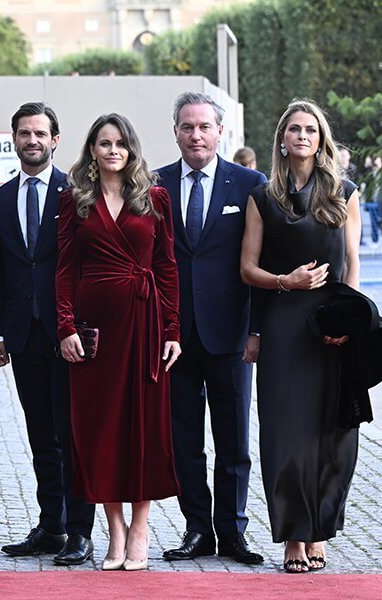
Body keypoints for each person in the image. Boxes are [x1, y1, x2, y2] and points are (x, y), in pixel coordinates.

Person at [239, 99, 361, 573]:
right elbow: (247, 268)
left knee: (333, 434)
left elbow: (351, 264)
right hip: (284, 323)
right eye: (294, 129)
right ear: (282, 140)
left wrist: (347, 322)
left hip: (331, 324)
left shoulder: (344, 192)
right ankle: (293, 535)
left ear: (321, 138)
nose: (303, 136)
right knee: (286, 432)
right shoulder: (262, 197)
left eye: (311, 129)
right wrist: (285, 281)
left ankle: (319, 530)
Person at [56, 113, 182, 571]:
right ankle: (115, 530)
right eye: (104, 143)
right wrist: (66, 326)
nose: (112, 150)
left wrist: (172, 330)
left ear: (131, 150)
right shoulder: (76, 201)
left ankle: (142, 528)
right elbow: (65, 270)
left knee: (144, 427)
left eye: (120, 143)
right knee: (98, 430)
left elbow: (167, 267)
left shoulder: (155, 198)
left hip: (146, 327)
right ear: (92, 150)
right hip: (95, 334)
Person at [156, 92, 268, 565]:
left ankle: (234, 531)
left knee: (234, 442)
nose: (196, 135)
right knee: (184, 441)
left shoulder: (249, 183)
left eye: (204, 126)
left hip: (230, 336)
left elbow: (261, 261)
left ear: (221, 131)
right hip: (176, 338)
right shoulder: (156, 184)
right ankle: (197, 529)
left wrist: (256, 329)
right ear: (176, 131)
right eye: (187, 126)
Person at [0, 102, 95, 565]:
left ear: (55, 140)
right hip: (23, 336)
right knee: (41, 438)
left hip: (67, 337)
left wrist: (80, 329)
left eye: (40, 134)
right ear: (14, 140)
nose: (32, 141)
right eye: (24, 134)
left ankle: (79, 532)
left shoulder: (77, 196)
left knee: (74, 437)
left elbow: (89, 269)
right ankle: (50, 526)